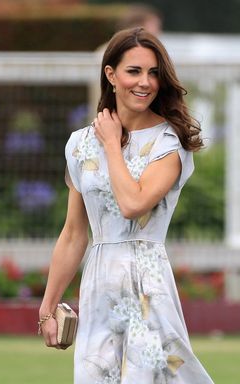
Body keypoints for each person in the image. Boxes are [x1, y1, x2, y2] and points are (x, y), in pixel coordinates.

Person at [39, 27, 214, 383]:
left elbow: (132, 204)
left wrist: (111, 147)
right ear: (111, 75)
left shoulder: (169, 142)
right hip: (98, 285)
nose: (145, 82)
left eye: (153, 73)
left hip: (148, 283)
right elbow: (74, 234)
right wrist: (47, 308)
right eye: (134, 71)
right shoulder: (79, 144)